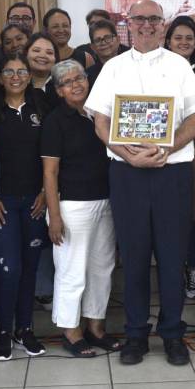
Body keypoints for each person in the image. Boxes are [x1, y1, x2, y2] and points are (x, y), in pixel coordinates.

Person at [86, 0, 195, 366]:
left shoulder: (180, 65)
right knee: (135, 257)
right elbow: (100, 123)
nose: (147, 25)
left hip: (172, 172)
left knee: (172, 258)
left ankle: (173, 334)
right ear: (128, 23)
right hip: (127, 173)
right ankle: (136, 334)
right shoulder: (113, 68)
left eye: (154, 19)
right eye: (140, 19)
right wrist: (128, 155)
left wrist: (167, 148)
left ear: (163, 24)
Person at [42, 60, 120, 356]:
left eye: (80, 78)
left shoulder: (99, 114)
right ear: (59, 90)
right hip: (71, 205)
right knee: (72, 271)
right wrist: (55, 217)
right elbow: (49, 173)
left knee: (102, 269)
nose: (76, 84)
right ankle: (71, 332)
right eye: (67, 82)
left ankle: (96, 328)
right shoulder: (54, 121)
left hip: (106, 201)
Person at [0, 52, 50, 360]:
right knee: (8, 269)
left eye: (21, 71)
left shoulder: (40, 104)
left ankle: (24, 329)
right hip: (3, 202)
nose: (16, 76)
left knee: (29, 269)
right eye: (9, 71)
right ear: (0, 77)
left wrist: (45, 191)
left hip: (35, 202)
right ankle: (3, 332)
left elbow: (52, 153)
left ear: (29, 75)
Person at [164, 16, 195, 299]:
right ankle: (172, 269)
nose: (183, 42)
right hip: (163, 153)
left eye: (189, 38)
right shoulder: (160, 69)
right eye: (178, 37)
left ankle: (192, 268)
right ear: (168, 41)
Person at [0, 2, 37, 71]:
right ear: (7, 22)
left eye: (26, 18)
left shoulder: (41, 50)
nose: (20, 23)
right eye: (15, 18)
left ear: (34, 22)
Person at [85, 19, 126, 87]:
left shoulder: (134, 67)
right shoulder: (88, 76)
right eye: (98, 40)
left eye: (108, 37)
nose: (103, 42)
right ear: (93, 47)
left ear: (118, 40)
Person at [25, 33, 60, 108]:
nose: (43, 55)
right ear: (26, 54)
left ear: (55, 59)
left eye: (49, 52)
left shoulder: (63, 87)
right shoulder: (15, 84)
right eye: (36, 50)